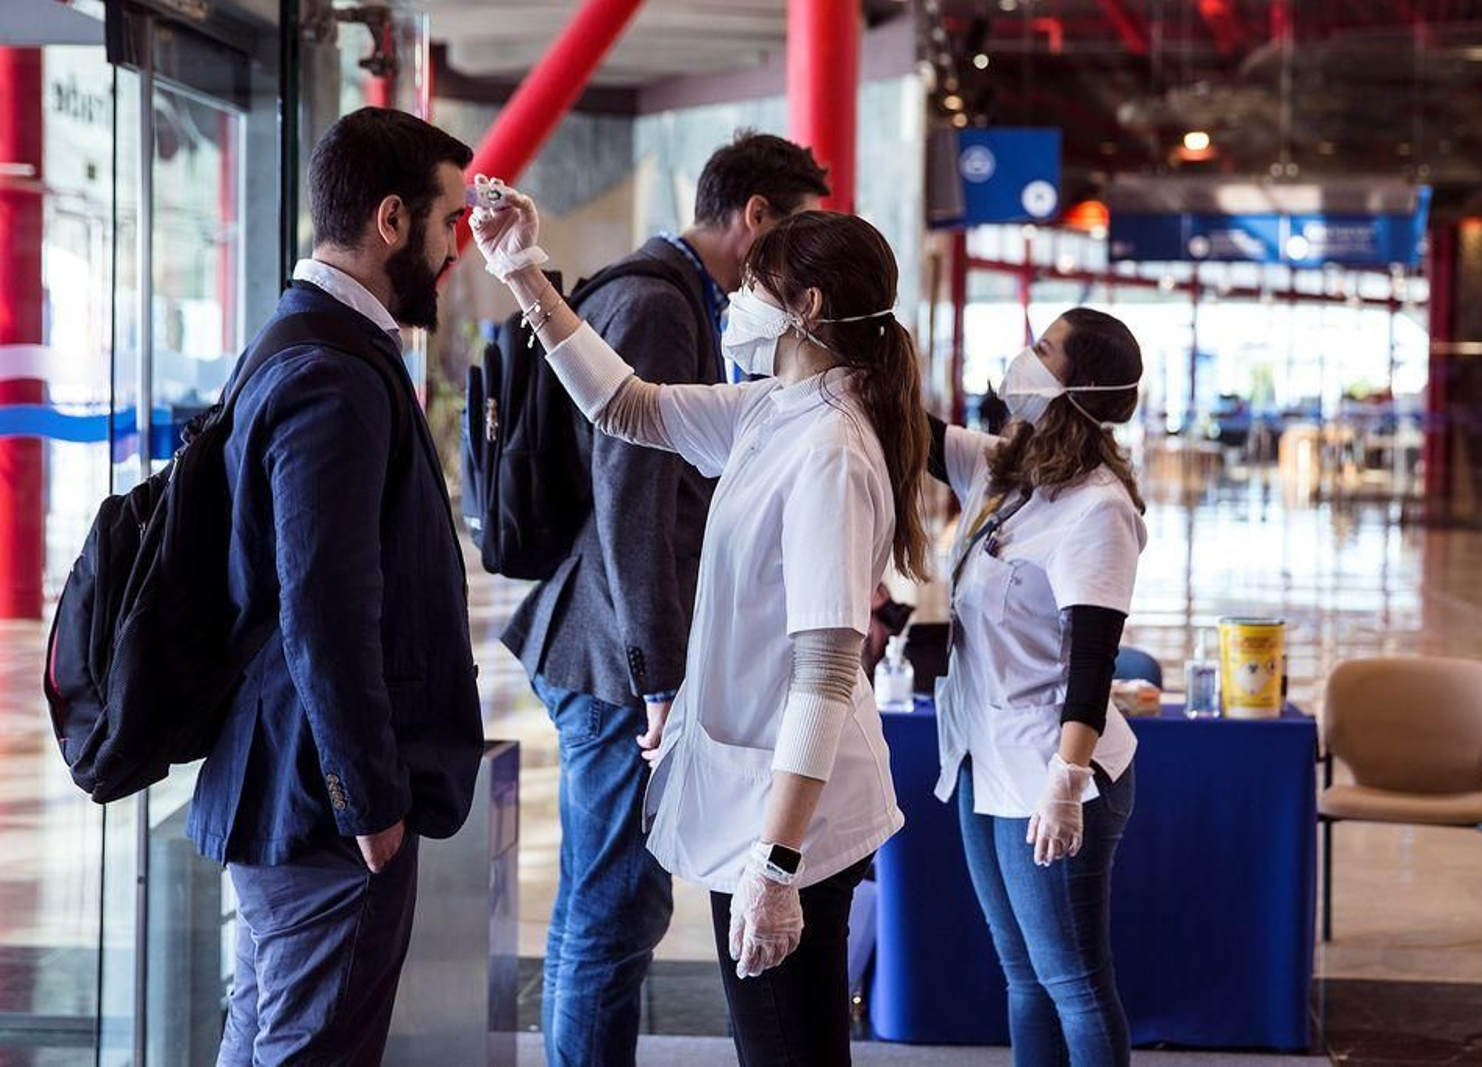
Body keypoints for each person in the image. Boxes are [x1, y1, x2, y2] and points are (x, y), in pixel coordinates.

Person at [474, 191, 927, 1065]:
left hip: (794, 815)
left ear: (807, 309)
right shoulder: (772, 410)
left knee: (788, 1047)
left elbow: (827, 671)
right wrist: (524, 273)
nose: (736, 303)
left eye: (755, 286)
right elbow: (626, 408)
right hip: (757, 800)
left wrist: (780, 863)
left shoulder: (829, 448)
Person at [187, 108, 485, 1065]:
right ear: (392, 219)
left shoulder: (301, 337)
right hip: (321, 802)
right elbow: (324, 605)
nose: (451, 251)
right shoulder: (332, 370)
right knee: (309, 1046)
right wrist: (366, 796)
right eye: (446, 223)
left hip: (289, 779)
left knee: (272, 1029)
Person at [927, 307, 1147, 1067]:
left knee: (1074, 982)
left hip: (1057, 770)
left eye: (1042, 348)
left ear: (1076, 381)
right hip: (987, 759)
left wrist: (1065, 781)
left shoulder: (1099, 509)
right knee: (1023, 975)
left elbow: (1093, 665)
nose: (1023, 355)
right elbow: (916, 436)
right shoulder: (1006, 472)